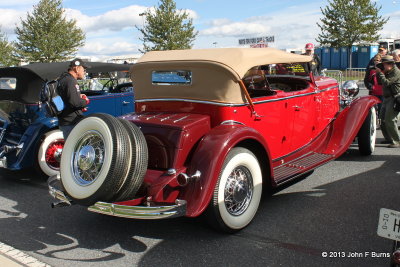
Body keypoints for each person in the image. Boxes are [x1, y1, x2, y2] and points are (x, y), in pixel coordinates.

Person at [57, 58, 90, 139]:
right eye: (84, 69)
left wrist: (79, 96)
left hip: (65, 120)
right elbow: (74, 102)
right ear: (77, 68)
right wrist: (85, 101)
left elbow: (68, 98)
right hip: (71, 122)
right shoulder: (71, 80)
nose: (85, 72)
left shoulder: (63, 79)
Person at [375, 55, 400, 148]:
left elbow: (387, 82)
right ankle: (388, 138)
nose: (382, 66)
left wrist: (380, 73)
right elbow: (380, 82)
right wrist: (379, 73)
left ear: (389, 64)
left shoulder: (396, 72)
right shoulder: (387, 71)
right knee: (382, 120)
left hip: (394, 98)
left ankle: (397, 140)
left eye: (383, 64)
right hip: (386, 98)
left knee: (390, 120)